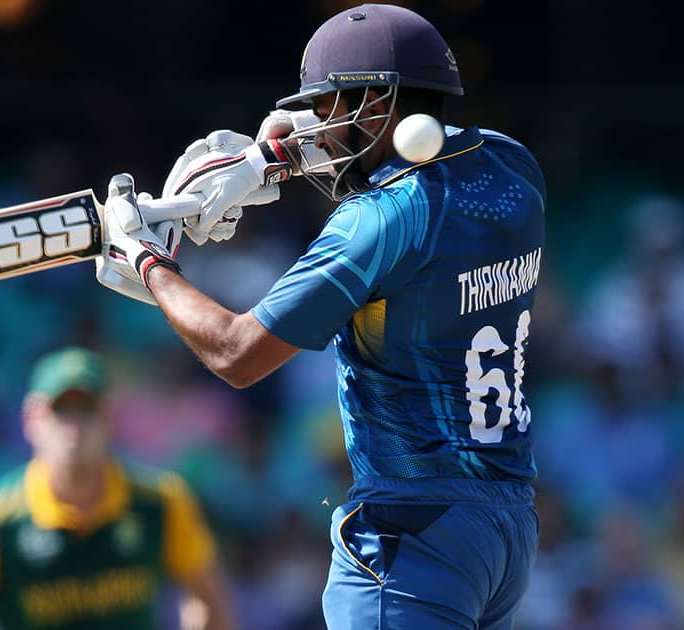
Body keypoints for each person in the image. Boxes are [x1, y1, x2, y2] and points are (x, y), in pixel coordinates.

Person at [95, 4, 546, 628]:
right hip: (506, 527)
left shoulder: (381, 219)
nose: (321, 127)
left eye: (330, 108)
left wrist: (148, 260)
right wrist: (272, 161)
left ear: (378, 102)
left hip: (412, 534)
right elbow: (414, 190)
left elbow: (236, 353)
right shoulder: (512, 167)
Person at [0, 347, 234, 630]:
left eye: (86, 409)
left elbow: (210, 599)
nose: (74, 427)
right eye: (61, 410)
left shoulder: (162, 502)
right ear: (31, 420)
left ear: (108, 419)